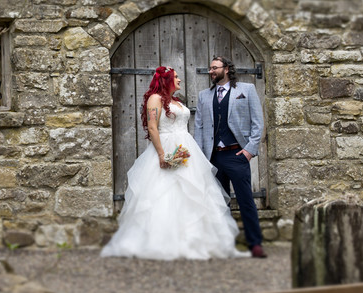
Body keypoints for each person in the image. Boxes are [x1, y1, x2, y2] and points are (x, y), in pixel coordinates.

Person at [101, 66, 248, 260]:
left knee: (193, 192)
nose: (179, 79)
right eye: (176, 77)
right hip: (166, 147)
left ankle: (196, 241)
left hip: (186, 150)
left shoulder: (176, 101)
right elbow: (153, 128)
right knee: (165, 192)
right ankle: (164, 242)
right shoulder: (155, 99)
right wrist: (162, 155)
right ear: (166, 79)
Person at [194, 56, 267, 258]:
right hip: (214, 157)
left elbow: (257, 123)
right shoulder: (204, 96)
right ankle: (223, 244)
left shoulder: (246, 90)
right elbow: (199, 126)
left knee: (246, 201)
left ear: (226, 69)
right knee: (219, 202)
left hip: (237, 155)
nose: (211, 71)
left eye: (214, 67)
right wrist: (202, 156)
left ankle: (255, 244)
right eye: (209, 68)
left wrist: (249, 150)